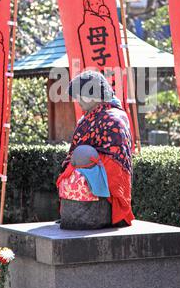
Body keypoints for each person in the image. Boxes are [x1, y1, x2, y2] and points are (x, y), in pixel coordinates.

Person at [57, 71, 135, 227]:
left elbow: (117, 160)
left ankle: (101, 215)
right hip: (81, 168)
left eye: (79, 96)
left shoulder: (114, 118)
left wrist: (89, 165)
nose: (77, 101)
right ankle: (70, 216)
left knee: (81, 181)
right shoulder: (87, 117)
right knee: (68, 179)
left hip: (104, 175)